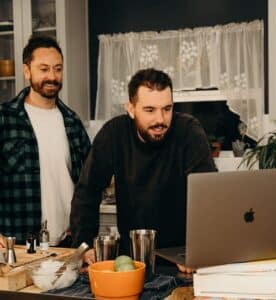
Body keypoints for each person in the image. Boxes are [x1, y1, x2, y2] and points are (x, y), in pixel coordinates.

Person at [70, 68, 216, 272]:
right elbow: (87, 191)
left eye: (167, 109)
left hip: (181, 257)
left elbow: (208, 196)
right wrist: (83, 247)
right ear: (130, 108)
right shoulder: (114, 133)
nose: (160, 120)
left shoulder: (189, 131)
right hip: (131, 260)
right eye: (150, 110)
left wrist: (199, 250)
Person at [0, 35, 90, 247]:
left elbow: (90, 180)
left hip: (68, 244)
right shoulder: (5, 118)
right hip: (19, 246)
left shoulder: (72, 121)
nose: (52, 76)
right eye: (44, 69)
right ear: (26, 71)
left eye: (58, 69)